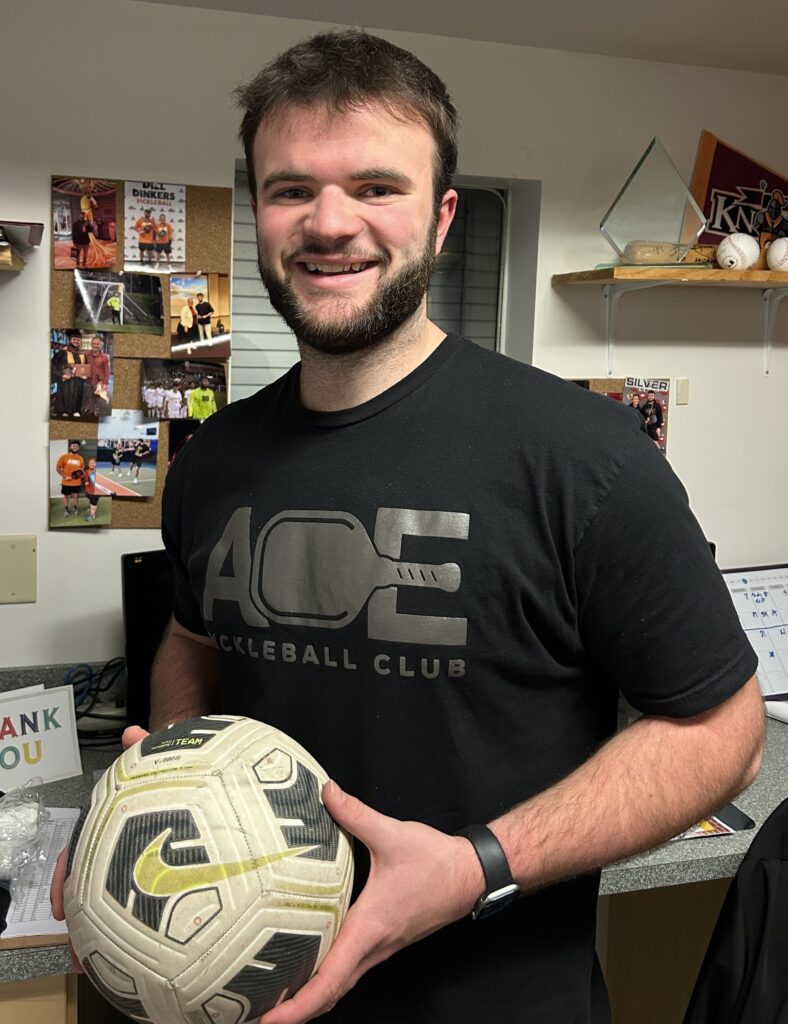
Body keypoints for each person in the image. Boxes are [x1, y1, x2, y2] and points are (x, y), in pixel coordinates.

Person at [52, 31, 764, 1024]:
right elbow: (193, 638)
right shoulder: (212, 459)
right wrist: (164, 778)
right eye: (291, 188)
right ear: (257, 211)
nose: (329, 223)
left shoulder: (583, 455)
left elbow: (724, 732)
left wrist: (479, 865)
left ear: (439, 221)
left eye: (375, 187)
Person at [52, 335, 89, 417]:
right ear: (70, 340)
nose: (76, 341)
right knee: (65, 395)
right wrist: (61, 375)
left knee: (77, 395)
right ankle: (64, 412)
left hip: (78, 381)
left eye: (78, 340)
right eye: (74, 339)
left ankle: (76, 410)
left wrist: (85, 375)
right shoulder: (63, 352)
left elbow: (85, 367)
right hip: (66, 381)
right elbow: (53, 364)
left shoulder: (82, 354)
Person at [55, 440, 84, 518]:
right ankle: (66, 509)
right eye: (73, 446)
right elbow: (58, 468)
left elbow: (81, 470)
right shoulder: (64, 457)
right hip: (66, 482)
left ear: (79, 448)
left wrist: (79, 476)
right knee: (66, 496)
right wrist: (65, 476)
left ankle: (75, 508)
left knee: (76, 496)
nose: (75, 447)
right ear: (70, 447)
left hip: (77, 482)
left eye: (77, 446)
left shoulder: (80, 458)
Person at [86, 335, 111, 416]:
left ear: (100, 345)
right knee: (89, 398)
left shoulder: (104, 357)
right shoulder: (87, 355)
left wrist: (106, 383)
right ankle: (90, 412)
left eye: (97, 344)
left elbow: (107, 371)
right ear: (91, 344)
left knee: (98, 401)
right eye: (94, 343)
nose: (95, 345)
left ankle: (97, 415)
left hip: (99, 383)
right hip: (88, 381)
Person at [83, 457, 111, 522]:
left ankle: (92, 515)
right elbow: (86, 480)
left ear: (95, 464)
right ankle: (91, 508)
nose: (91, 464)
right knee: (90, 501)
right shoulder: (87, 471)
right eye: (90, 463)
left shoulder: (98, 472)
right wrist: (86, 482)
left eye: (93, 463)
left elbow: (100, 483)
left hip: (95, 492)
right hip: (88, 490)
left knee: (93, 503)